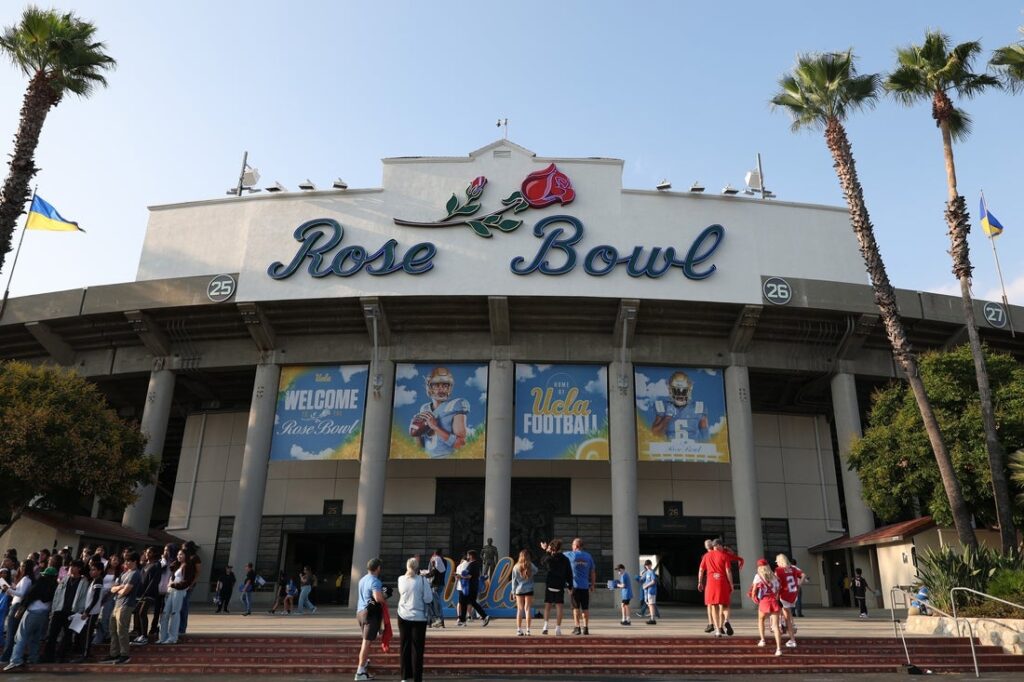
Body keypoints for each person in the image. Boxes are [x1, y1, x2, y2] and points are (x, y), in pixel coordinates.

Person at [4, 557, 58, 671]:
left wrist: (20, 610)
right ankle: (33, 658)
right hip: (44, 615)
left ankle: (16, 660)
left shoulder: (40, 583)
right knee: (35, 638)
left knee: (21, 637)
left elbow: (29, 596)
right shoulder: (55, 586)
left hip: (32, 612)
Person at [410, 367, 469, 458]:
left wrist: (435, 428)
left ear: (450, 387)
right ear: (429, 387)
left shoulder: (456, 404)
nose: (441, 389)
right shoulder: (424, 408)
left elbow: (460, 444)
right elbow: (421, 447)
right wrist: (415, 432)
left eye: (445, 385)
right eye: (436, 385)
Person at [544, 537, 595, 636]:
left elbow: (556, 554)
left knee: (575, 608)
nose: (571, 546)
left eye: (572, 544)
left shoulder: (570, 555)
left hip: (575, 586)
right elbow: (592, 571)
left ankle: (577, 627)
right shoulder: (588, 556)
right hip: (585, 586)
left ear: (576, 546)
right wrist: (592, 584)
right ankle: (586, 627)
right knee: (585, 608)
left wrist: (547, 549)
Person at [42, 558, 84, 662]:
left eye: (74, 566)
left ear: (79, 568)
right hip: (59, 610)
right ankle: (48, 657)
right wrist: (53, 609)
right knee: (52, 634)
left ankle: (61, 656)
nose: (71, 568)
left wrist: (80, 611)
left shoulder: (83, 582)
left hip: (72, 612)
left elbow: (83, 598)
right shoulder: (65, 579)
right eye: (70, 566)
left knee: (67, 636)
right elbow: (57, 594)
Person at [397, 557, 432, 682]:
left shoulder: (401, 579)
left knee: (404, 646)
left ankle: (404, 676)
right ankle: (417, 677)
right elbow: (428, 598)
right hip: (419, 617)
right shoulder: (423, 580)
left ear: (407, 566)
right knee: (417, 649)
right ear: (418, 568)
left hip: (403, 615)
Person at [105, 550, 141, 664]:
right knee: (113, 630)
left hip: (126, 605)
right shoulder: (124, 573)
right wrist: (120, 587)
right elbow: (112, 589)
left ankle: (124, 654)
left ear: (135, 561)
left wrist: (119, 589)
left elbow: (125, 591)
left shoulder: (135, 574)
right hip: (117, 604)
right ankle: (114, 653)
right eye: (125, 560)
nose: (126, 563)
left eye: (128, 561)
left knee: (122, 630)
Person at [651, 370, 709, 440]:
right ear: (670, 390)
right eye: (676, 391)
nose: (680, 395)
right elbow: (655, 434)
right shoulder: (663, 406)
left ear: (689, 389)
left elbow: (706, 437)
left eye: (683, 391)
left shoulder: (699, 407)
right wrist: (667, 417)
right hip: (669, 446)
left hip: (692, 446)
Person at [355, 558, 385, 681]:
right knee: (366, 642)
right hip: (370, 614)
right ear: (378, 568)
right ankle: (360, 672)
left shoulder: (362, 579)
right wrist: (385, 596)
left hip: (360, 612)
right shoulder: (375, 581)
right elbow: (377, 598)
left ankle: (364, 662)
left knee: (365, 640)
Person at [0, 559, 35, 664]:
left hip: (17, 606)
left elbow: (21, 594)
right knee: (12, 633)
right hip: (16, 605)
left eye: (24, 566)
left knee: (11, 633)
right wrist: (10, 589)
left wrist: (8, 589)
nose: (21, 568)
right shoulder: (25, 579)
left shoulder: (26, 579)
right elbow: (17, 593)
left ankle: (6, 657)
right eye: (21, 566)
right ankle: (8, 656)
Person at [698, 539, 734, 637]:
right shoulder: (724, 556)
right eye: (722, 546)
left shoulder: (706, 556)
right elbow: (728, 571)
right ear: (718, 545)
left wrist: (700, 582)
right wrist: (731, 584)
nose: (723, 548)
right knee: (725, 604)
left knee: (713, 606)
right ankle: (726, 620)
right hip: (722, 582)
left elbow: (701, 570)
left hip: (711, 583)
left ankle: (717, 630)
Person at [157, 548, 193, 645]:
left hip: (179, 591)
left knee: (175, 613)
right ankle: (162, 637)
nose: (179, 556)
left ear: (186, 555)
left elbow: (186, 582)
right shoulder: (178, 565)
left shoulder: (187, 566)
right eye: (178, 554)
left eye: (181, 554)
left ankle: (173, 637)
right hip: (171, 591)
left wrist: (173, 585)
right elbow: (172, 572)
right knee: (165, 613)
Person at [749, 559, 783, 657]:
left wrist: (754, 599)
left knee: (761, 620)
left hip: (764, 601)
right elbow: (778, 590)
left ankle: (763, 640)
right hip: (774, 600)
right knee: (776, 626)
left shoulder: (758, 576)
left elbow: (754, 590)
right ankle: (779, 649)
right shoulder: (774, 576)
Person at [539, 539, 571, 636]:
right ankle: (558, 628)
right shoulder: (565, 559)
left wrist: (547, 551)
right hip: (560, 584)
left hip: (550, 584)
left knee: (547, 606)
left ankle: (545, 626)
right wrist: (570, 586)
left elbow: (542, 562)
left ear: (552, 548)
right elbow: (569, 573)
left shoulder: (549, 558)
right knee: (559, 607)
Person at [132, 547, 161, 644]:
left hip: (150, 593)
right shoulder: (145, 564)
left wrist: (146, 592)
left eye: (150, 552)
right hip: (140, 593)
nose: (147, 554)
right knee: (137, 612)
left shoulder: (157, 564)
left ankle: (144, 636)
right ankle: (139, 635)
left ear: (154, 553)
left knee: (142, 612)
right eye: (146, 552)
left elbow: (154, 580)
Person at [774, 554, 804, 648]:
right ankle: (788, 624)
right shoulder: (793, 568)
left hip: (784, 595)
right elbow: (803, 575)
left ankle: (792, 639)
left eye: (777, 562)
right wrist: (799, 585)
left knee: (786, 617)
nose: (777, 564)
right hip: (793, 594)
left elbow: (776, 583)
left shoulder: (778, 570)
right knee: (787, 613)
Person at [456, 550, 489, 626]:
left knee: (465, 602)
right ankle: (484, 616)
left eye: (468, 555)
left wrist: (460, 576)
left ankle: (463, 620)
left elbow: (469, 576)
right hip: (473, 586)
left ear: (471, 556)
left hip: (469, 587)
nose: (467, 557)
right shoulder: (476, 564)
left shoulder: (472, 565)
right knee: (471, 602)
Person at [511, 550, 538, 636]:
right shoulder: (530, 565)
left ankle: (519, 630)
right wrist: (530, 565)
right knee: (527, 609)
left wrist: (513, 592)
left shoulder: (516, 567)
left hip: (519, 590)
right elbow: (536, 570)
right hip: (529, 589)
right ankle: (528, 630)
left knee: (519, 609)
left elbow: (514, 581)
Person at [426, 549, 446, 628]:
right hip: (440, 584)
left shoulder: (436, 560)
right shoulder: (444, 561)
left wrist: (425, 574)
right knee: (436, 602)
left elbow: (433, 572)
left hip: (435, 584)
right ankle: (435, 621)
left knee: (434, 602)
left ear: (435, 554)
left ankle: (435, 620)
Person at [640, 559, 658, 625]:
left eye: (648, 565)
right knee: (650, 604)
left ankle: (653, 619)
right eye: (646, 565)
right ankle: (652, 618)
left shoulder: (651, 572)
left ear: (651, 565)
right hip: (648, 591)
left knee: (651, 604)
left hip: (651, 591)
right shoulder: (647, 572)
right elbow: (642, 579)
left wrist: (646, 585)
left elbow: (653, 581)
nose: (647, 566)